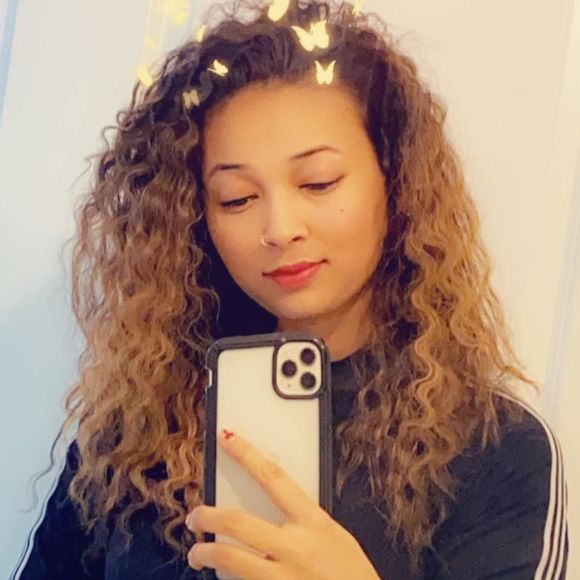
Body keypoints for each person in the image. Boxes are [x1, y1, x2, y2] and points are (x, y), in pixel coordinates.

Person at [12, 0, 569, 578]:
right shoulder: (134, 433)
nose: (280, 229)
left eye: (318, 183)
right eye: (237, 198)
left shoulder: (496, 449)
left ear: (395, 181)